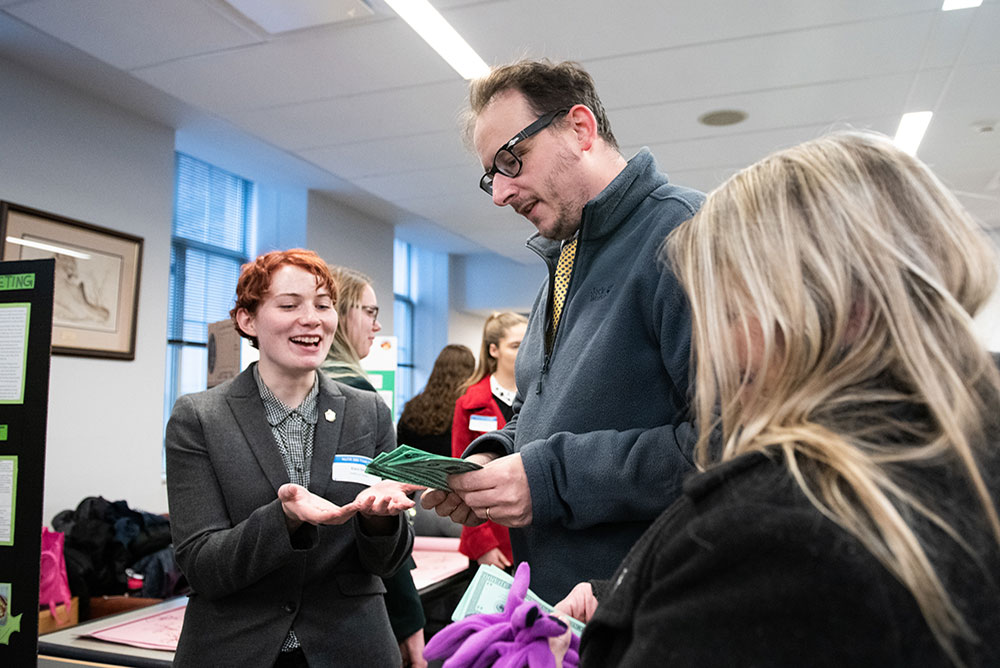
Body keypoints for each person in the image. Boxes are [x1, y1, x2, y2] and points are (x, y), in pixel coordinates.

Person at [553, 132, 1000, 666]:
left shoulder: (781, 526)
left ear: (840, 305)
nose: (716, 346)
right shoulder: (955, 446)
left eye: (734, 310)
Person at [422, 58, 704, 601]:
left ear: (580, 128)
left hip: (646, 608)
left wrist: (550, 479)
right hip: (559, 612)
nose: (501, 193)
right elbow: (540, 409)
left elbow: (730, 444)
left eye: (513, 159)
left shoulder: (687, 235)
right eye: (491, 176)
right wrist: (493, 459)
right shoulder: (565, 259)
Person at [165, 249, 415, 668]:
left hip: (352, 647)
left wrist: (379, 520)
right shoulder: (200, 418)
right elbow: (202, 566)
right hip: (236, 648)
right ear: (247, 320)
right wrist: (284, 518)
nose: (312, 319)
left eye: (323, 305)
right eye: (289, 305)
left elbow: (388, 562)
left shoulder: (368, 412)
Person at [321, 265, 428, 668]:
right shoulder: (357, 397)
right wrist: (408, 617)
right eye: (370, 311)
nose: (378, 325)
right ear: (342, 312)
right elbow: (377, 508)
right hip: (355, 602)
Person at [450, 312, 527, 569]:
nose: (525, 351)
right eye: (516, 345)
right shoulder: (469, 404)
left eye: (529, 343)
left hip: (533, 534)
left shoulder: (539, 399)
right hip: (490, 539)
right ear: (494, 350)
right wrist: (482, 545)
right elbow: (457, 475)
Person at [397, 344, 476, 458]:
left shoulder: (412, 408)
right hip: (454, 474)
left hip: (415, 473)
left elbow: (401, 452)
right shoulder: (467, 410)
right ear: (470, 372)